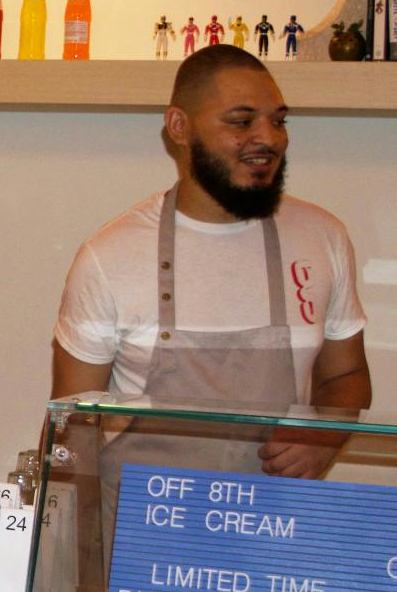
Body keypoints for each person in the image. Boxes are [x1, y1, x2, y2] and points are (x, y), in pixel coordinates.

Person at [50, 45, 370, 479]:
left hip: (267, 531)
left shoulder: (323, 237)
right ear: (179, 126)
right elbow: (72, 431)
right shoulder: (109, 257)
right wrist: (66, 538)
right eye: (242, 122)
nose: (269, 138)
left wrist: (323, 437)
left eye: (278, 121)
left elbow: (347, 373)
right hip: (140, 536)